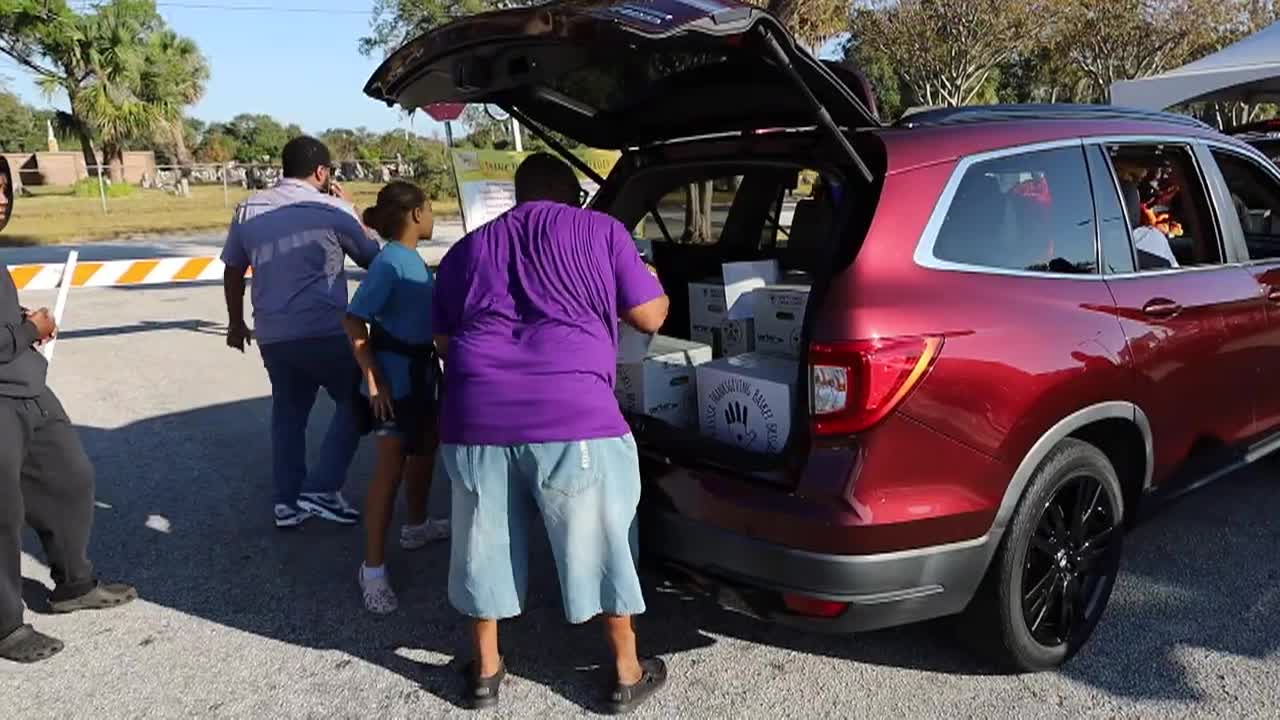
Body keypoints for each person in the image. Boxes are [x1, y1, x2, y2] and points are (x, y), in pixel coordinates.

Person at [433, 153, 671, 712]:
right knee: (603, 540)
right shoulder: (601, 231)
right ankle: (625, 671)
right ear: (573, 195)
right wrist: (652, 284)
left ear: (519, 196)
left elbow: (444, 344)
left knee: (480, 542)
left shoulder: (467, 249)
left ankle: (486, 672)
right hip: (575, 418)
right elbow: (650, 317)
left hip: (475, 416)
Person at [1, 156, 136, 664]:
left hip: (28, 387)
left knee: (70, 478)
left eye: (5, 189)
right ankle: (5, 625)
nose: (1, 199)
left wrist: (18, 320)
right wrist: (28, 330)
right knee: (3, 512)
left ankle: (73, 584)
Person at [221, 136, 381, 529]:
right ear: (322, 172)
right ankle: (323, 487)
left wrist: (236, 322)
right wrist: (353, 210)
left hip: (274, 335)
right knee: (359, 400)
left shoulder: (249, 209)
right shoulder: (333, 208)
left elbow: (232, 270)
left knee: (289, 415)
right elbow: (373, 257)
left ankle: (287, 502)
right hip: (325, 330)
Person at [342, 181, 450, 614]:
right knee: (389, 470)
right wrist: (376, 381)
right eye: (430, 208)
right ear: (416, 214)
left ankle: (417, 525)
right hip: (395, 381)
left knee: (425, 453)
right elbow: (354, 322)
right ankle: (372, 569)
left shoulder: (413, 260)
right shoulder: (389, 262)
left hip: (423, 375)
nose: (434, 215)